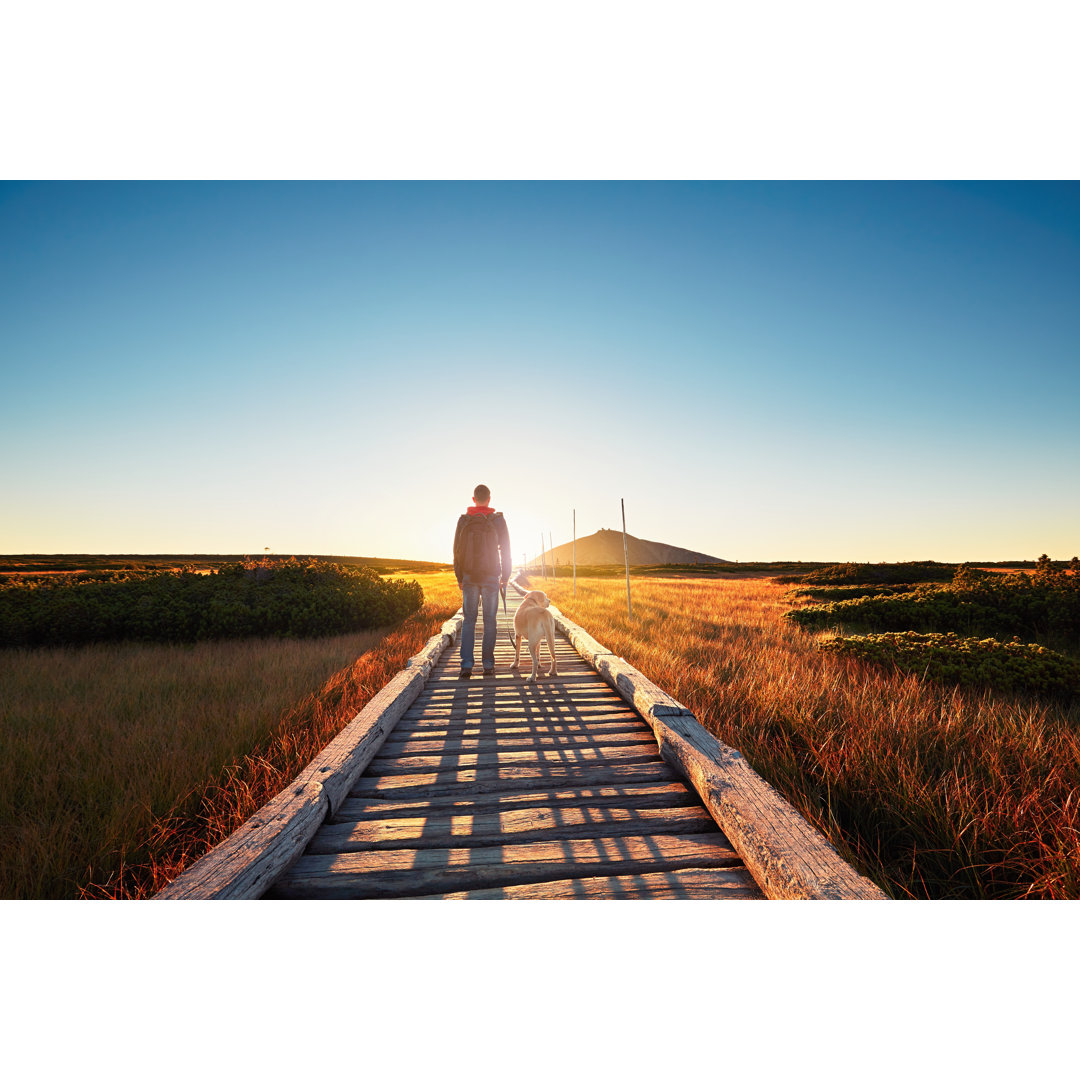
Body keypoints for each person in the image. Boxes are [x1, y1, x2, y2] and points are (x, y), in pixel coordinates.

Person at [453, 484, 512, 678]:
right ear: (489, 499)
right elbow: (505, 549)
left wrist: (459, 577)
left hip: (469, 575)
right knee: (490, 621)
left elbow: (456, 550)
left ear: (473, 499)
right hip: (491, 576)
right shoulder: (498, 520)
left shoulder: (464, 520)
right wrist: (505, 576)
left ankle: (466, 665)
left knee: (469, 620)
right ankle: (488, 664)